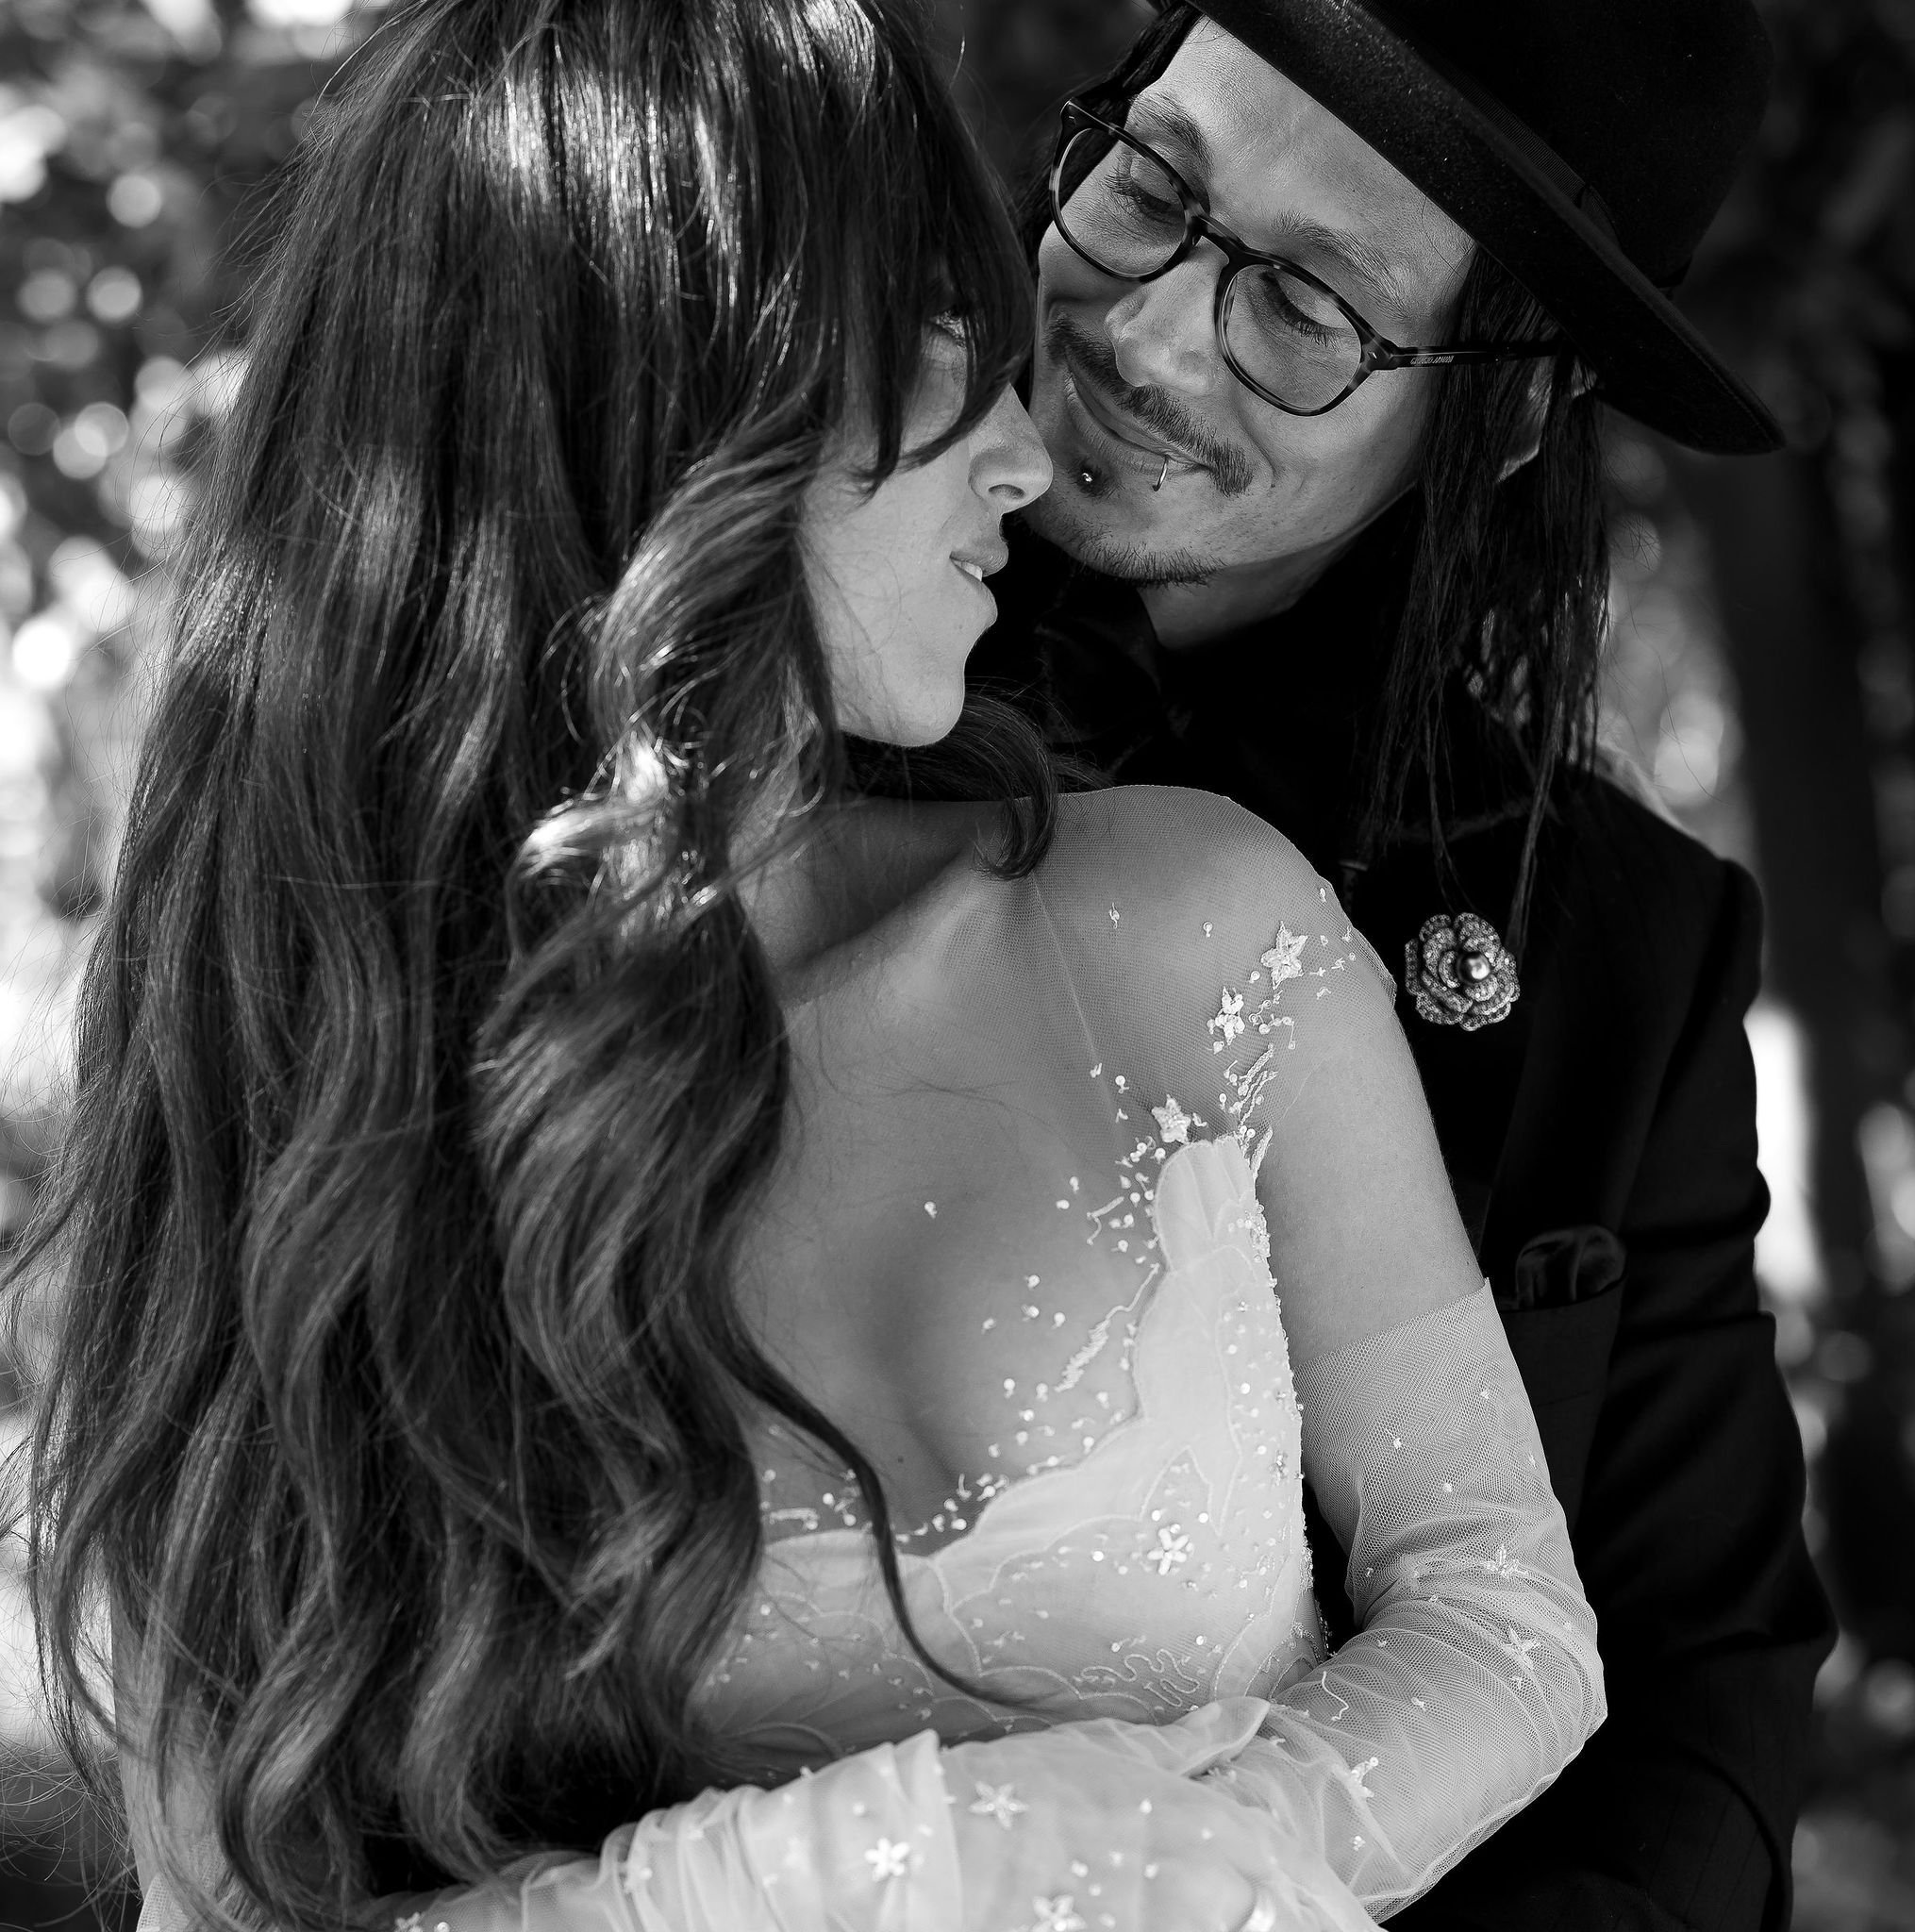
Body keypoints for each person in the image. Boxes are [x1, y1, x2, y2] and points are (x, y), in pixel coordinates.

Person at [20, 2, 1601, 1929]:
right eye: (951, 352)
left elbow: (1507, 1617)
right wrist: (840, 1874)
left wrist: (1186, 1855)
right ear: (683, 397)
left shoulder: (1191, 920)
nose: (1032, 452)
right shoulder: (304, 1096)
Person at [965, 3, 1837, 1927]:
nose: (1152, 328)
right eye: (1150, 187)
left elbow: (1698, 1698)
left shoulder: (1628, 951)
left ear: (1509, 401)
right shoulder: (730, 721)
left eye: (1305, 304)